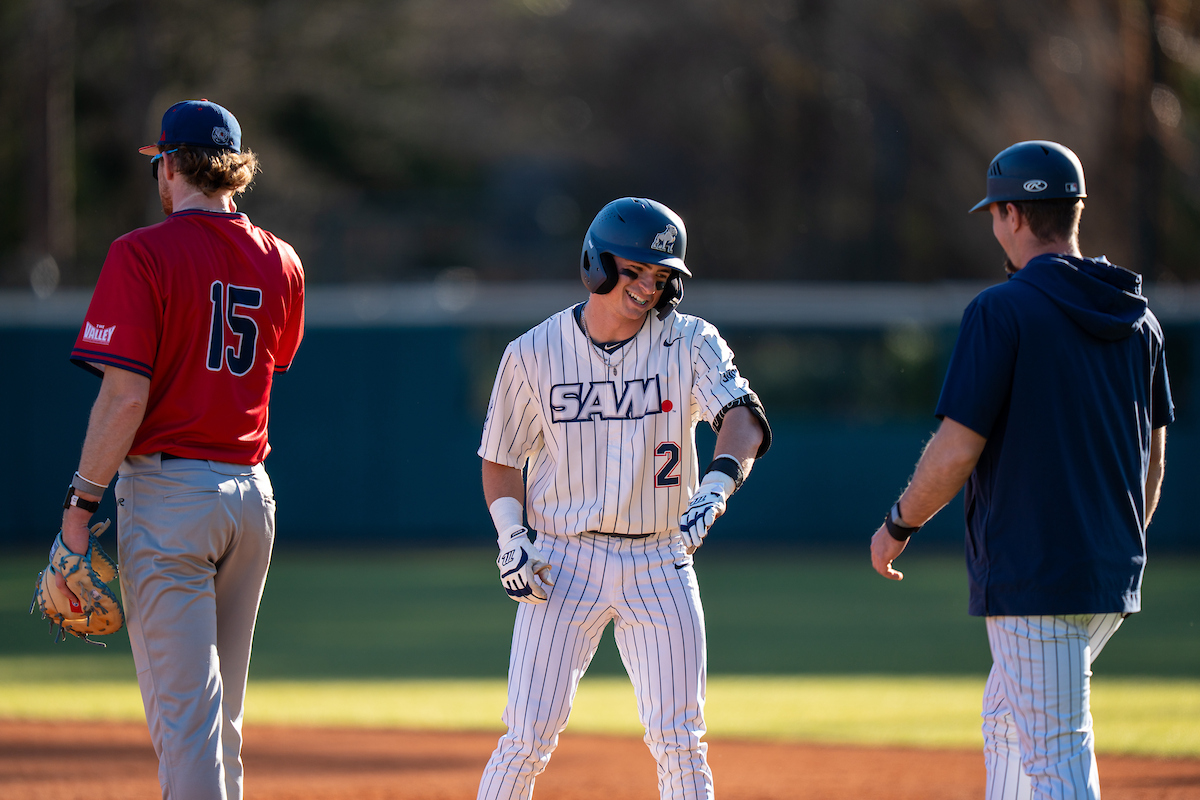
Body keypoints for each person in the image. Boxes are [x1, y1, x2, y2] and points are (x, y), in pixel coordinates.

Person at [869, 140, 1172, 800]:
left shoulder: (1000, 310)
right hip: (1111, 571)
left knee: (1057, 756)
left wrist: (899, 523)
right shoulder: (1139, 319)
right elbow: (1151, 454)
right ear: (1075, 211)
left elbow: (954, 452)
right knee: (1009, 722)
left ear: (1009, 214)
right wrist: (1126, 543)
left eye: (994, 214)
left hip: (1034, 573)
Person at [476, 197, 771, 800]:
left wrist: (716, 487)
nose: (646, 287)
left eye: (660, 277)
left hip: (661, 559)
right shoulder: (533, 352)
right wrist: (511, 538)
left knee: (680, 740)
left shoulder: (688, 342)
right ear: (597, 263)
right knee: (526, 736)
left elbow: (743, 419)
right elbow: (501, 458)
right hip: (563, 559)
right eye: (634, 270)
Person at [59, 99, 305, 800]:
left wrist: (81, 503)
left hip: (170, 499)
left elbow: (124, 398)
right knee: (220, 717)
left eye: (158, 164)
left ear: (169, 165)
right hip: (251, 499)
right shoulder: (282, 260)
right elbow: (268, 363)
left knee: (188, 721)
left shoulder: (140, 252)